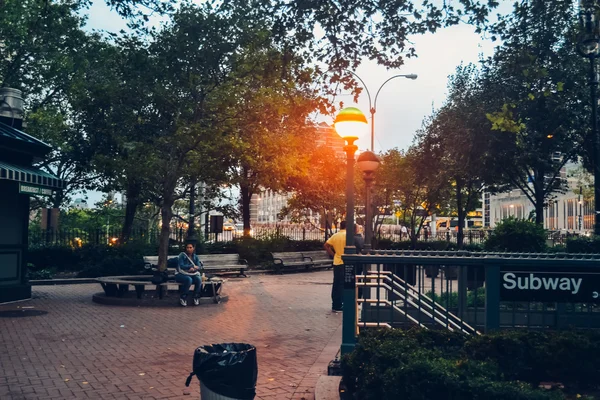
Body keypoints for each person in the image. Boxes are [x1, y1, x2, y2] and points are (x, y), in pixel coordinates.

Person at [324, 220, 351, 313]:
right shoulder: (348, 236)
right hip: (346, 261)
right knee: (344, 284)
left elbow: (326, 245)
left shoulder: (335, 235)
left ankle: (335, 303)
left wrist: (333, 254)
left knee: (336, 283)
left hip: (337, 261)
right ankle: (341, 304)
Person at [175, 243, 204, 307]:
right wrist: (190, 267)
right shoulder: (182, 256)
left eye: (190, 247)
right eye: (187, 247)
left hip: (192, 273)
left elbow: (198, 266)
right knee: (189, 280)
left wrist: (195, 269)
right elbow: (181, 266)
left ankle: (196, 297)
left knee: (199, 279)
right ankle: (183, 298)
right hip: (180, 274)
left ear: (193, 248)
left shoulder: (195, 256)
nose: (189, 249)